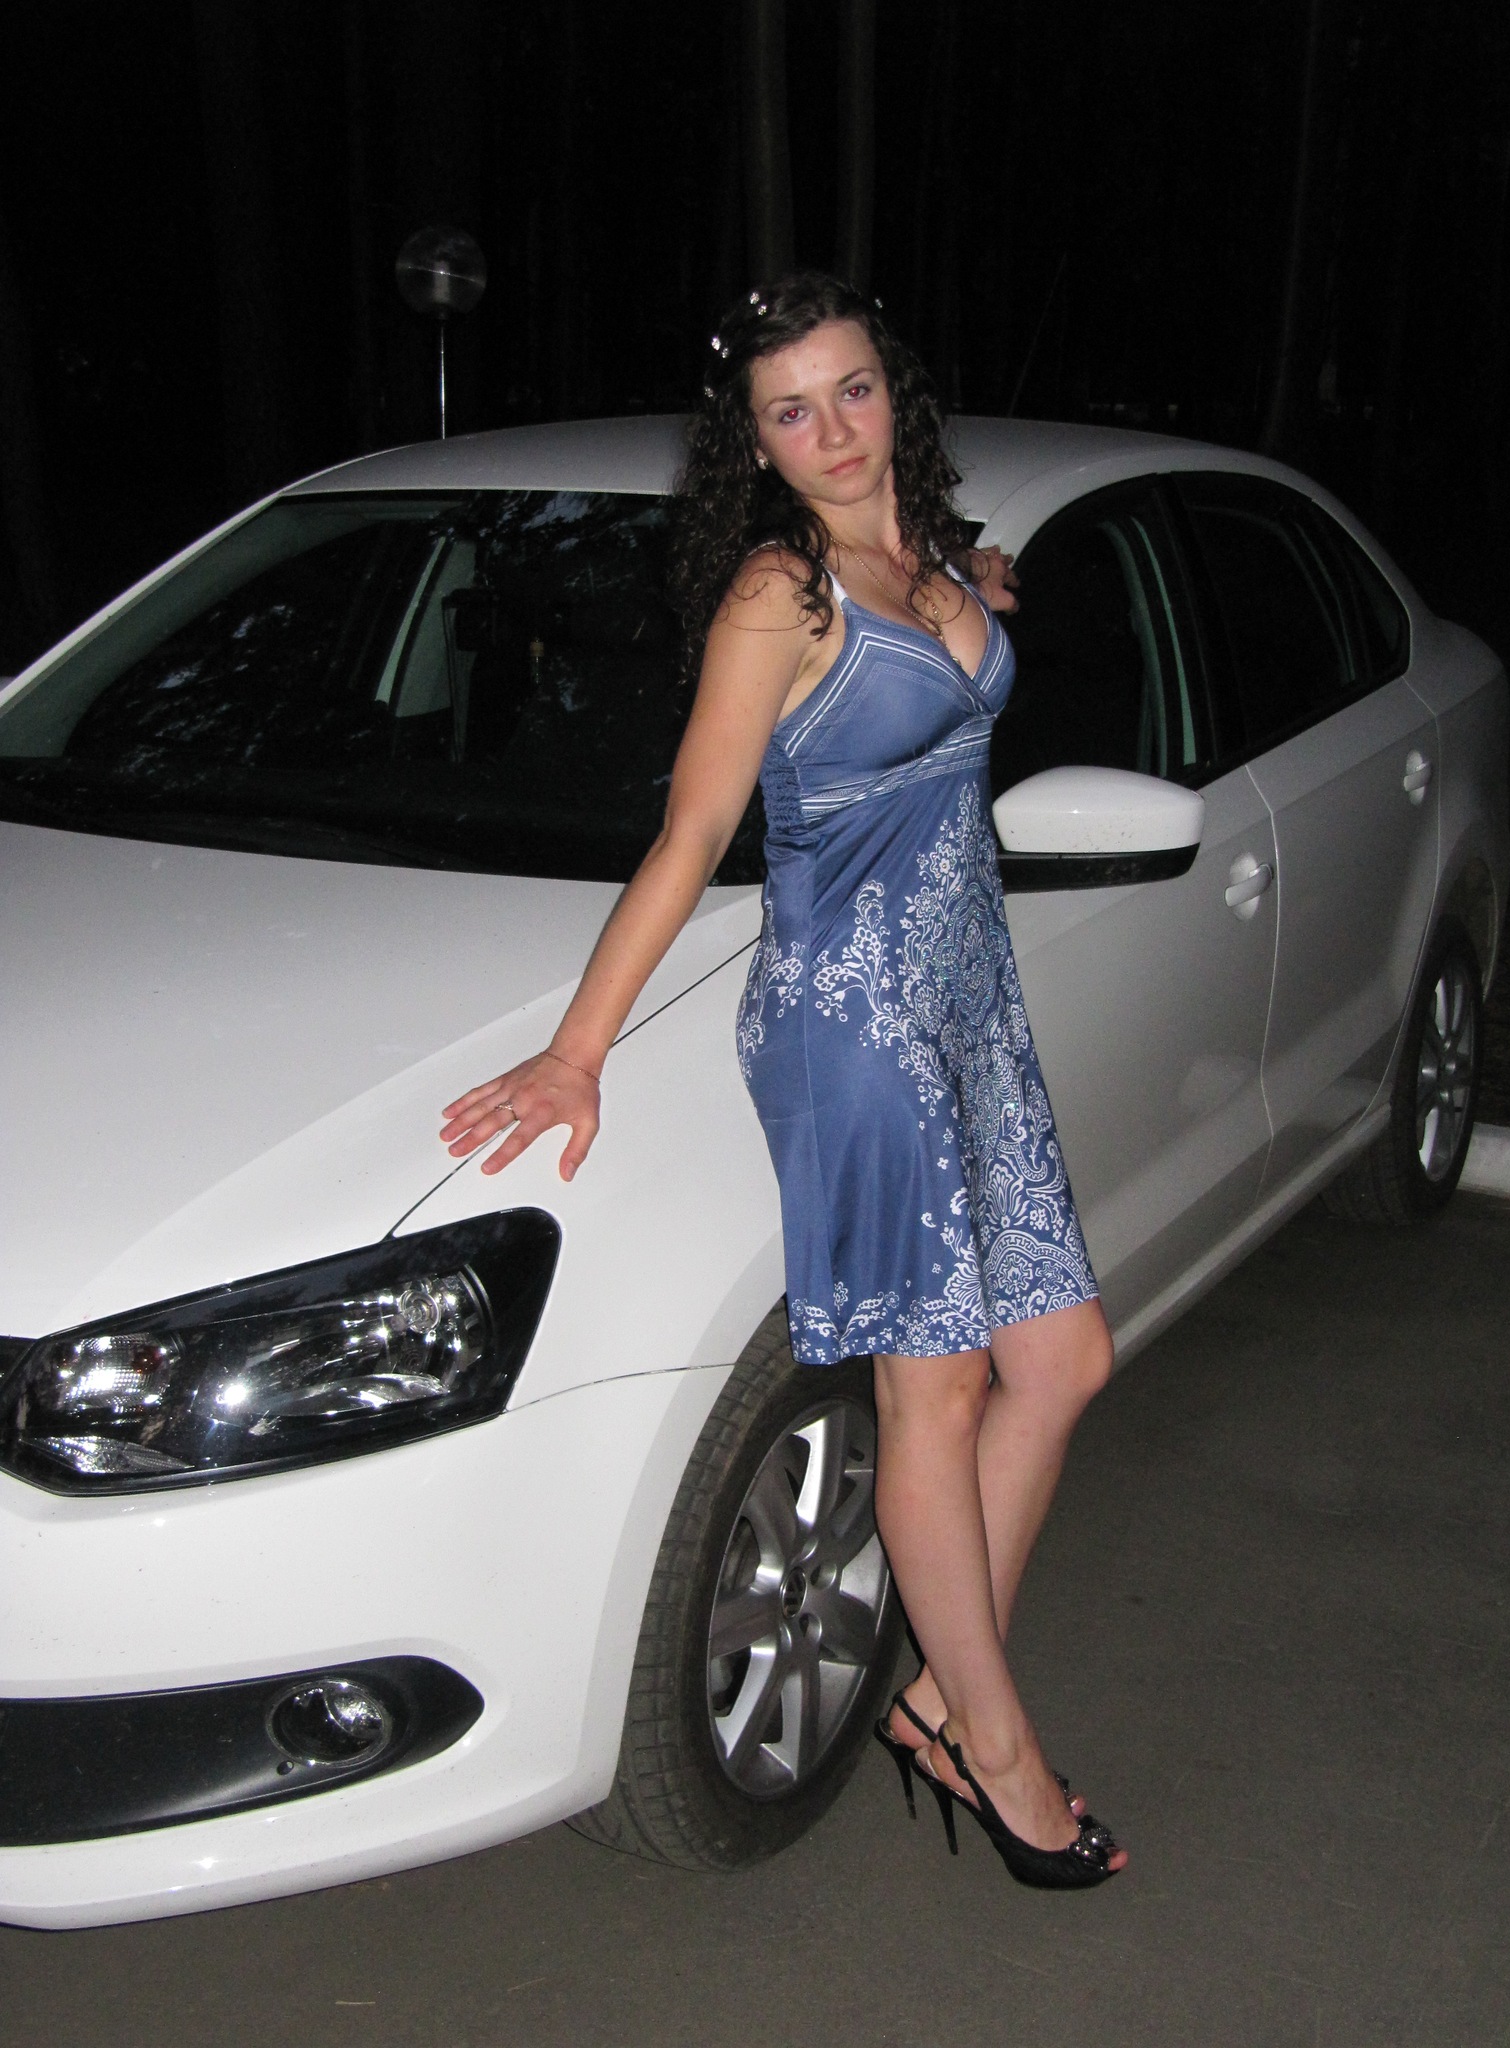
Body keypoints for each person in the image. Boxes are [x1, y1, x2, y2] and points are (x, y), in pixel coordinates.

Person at [439, 272, 1126, 1890]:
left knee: (1064, 1358)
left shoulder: (932, 555)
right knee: (933, 1392)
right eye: (790, 411)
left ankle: (942, 1699)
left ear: (896, 394)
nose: (831, 431)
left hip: (970, 1002)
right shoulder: (780, 598)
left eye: (852, 391)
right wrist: (577, 1051)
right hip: (853, 1024)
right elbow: (692, 832)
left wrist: (975, 585)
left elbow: (959, 625)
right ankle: (993, 1747)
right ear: (752, 442)